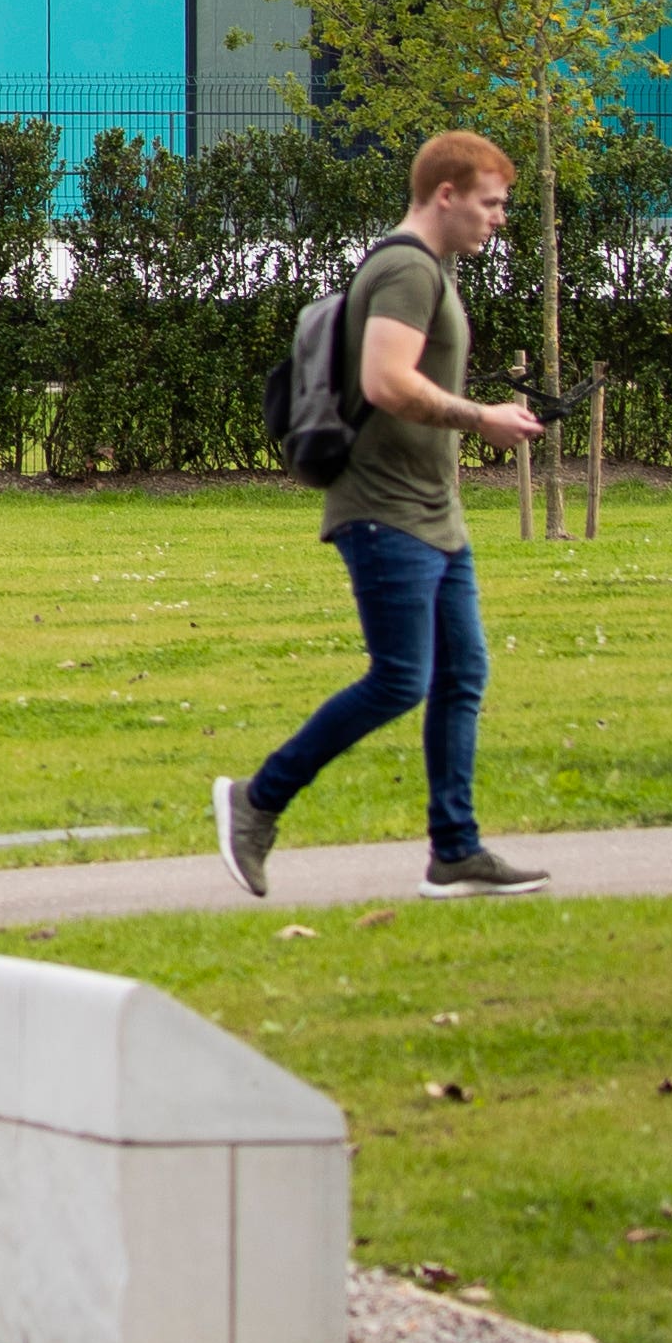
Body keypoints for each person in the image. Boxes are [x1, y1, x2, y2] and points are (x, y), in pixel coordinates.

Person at [217, 130, 557, 901]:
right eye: (491, 202)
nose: (499, 218)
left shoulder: (424, 267)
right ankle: (256, 801)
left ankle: (456, 849)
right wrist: (482, 419)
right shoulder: (407, 268)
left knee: (461, 672)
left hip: (432, 511)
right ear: (447, 194)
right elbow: (386, 380)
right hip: (384, 511)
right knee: (403, 678)